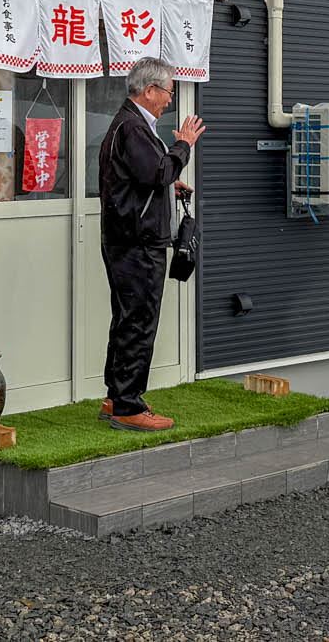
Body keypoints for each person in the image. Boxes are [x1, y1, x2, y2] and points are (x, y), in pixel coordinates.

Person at [96, 56, 203, 431]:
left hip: (125, 239)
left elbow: (140, 178)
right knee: (139, 321)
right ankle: (128, 405)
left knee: (126, 319)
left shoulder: (129, 125)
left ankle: (116, 396)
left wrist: (169, 186)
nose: (170, 100)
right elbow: (157, 170)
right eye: (168, 92)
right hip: (138, 242)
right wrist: (184, 147)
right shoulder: (134, 127)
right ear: (149, 90)